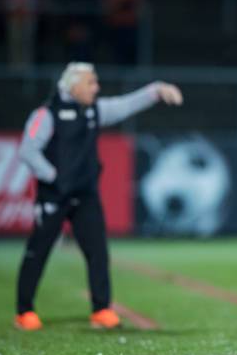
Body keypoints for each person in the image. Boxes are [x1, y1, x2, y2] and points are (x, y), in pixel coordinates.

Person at [15, 62, 183, 331]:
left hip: (85, 195)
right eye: (91, 83)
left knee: (98, 253)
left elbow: (125, 105)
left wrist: (155, 90)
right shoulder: (46, 114)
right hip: (54, 196)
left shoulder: (94, 109)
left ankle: (101, 310)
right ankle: (24, 311)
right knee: (38, 251)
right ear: (73, 86)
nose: (97, 87)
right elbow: (27, 151)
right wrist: (53, 176)